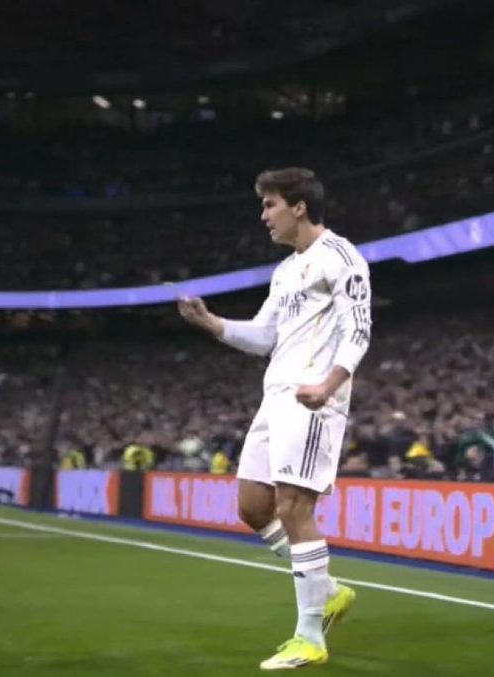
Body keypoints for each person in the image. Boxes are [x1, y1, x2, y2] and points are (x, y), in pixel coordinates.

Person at [178, 167, 370, 670]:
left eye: (270, 205)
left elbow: (359, 331)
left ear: (298, 207)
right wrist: (211, 324)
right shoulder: (285, 271)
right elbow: (264, 336)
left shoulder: (342, 258)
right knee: (252, 506)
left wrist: (328, 385)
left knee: (293, 508)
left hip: (313, 397)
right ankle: (327, 590)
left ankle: (310, 637)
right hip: (275, 397)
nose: (264, 215)